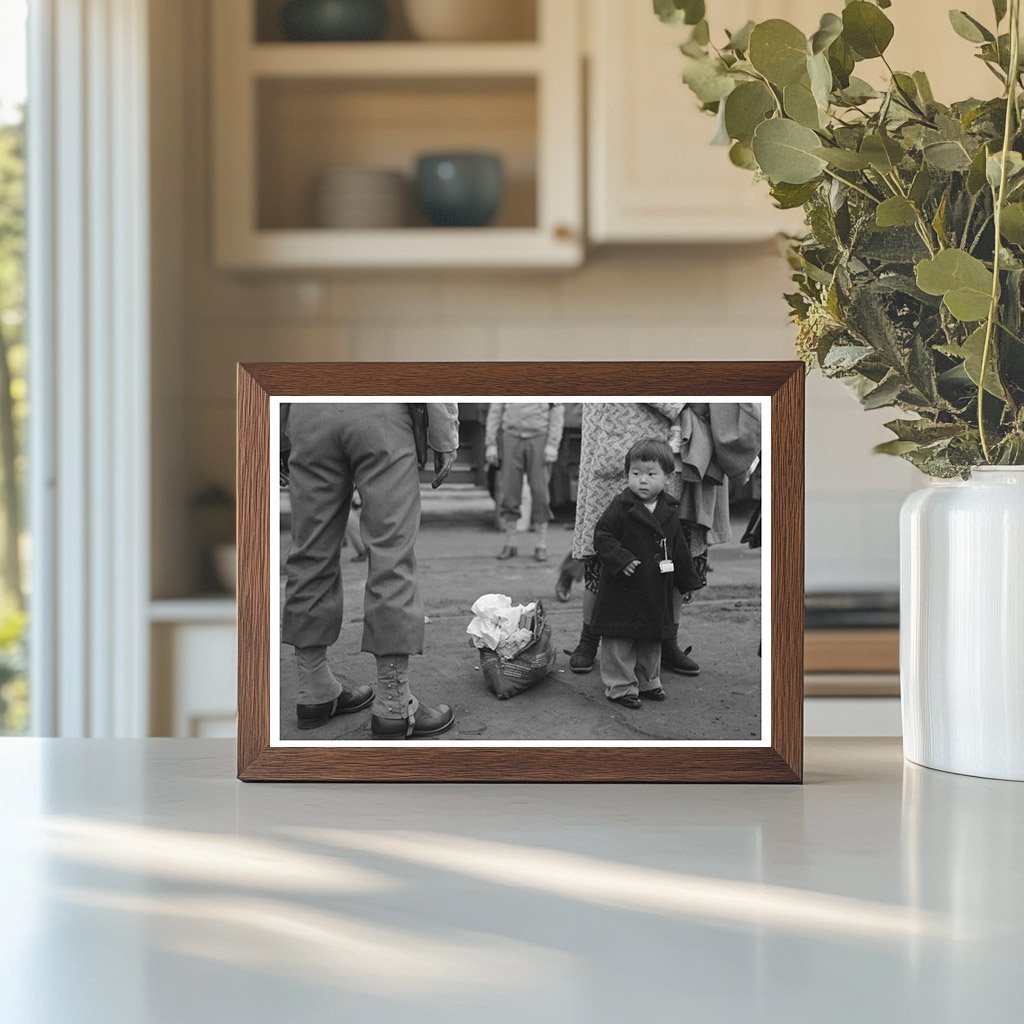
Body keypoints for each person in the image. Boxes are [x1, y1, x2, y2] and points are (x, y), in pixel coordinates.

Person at [281, 401, 460, 739]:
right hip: (379, 410)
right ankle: (394, 702)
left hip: (308, 410)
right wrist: (444, 435)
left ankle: (313, 687)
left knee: (310, 550)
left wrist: (280, 431)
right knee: (391, 551)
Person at [567, 402, 699, 677]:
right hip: (608, 441)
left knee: (666, 554)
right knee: (600, 556)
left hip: (657, 445)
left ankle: (667, 641)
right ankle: (589, 640)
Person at [592, 438, 699, 709]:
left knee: (652, 637)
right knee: (619, 639)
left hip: (655, 588)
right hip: (623, 588)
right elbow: (602, 536)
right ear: (627, 474)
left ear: (667, 477)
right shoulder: (620, 506)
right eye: (635, 473)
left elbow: (678, 548)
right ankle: (620, 686)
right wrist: (621, 558)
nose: (642, 481)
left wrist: (687, 581)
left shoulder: (669, 510)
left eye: (651, 475)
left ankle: (648, 680)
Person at [485, 402, 564, 562]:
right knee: (509, 492)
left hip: (539, 437)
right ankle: (510, 543)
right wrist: (491, 443)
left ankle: (541, 544)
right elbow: (496, 409)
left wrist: (553, 444)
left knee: (541, 493)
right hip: (510, 437)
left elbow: (557, 408)